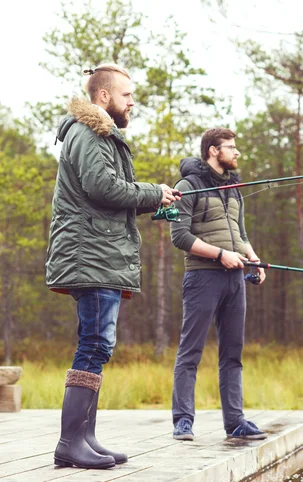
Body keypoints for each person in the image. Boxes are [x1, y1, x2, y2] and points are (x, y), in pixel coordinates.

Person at [45, 64, 180, 469]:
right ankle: (71, 442)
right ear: (103, 97)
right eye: (127, 95)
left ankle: (83, 438)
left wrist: (153, 198)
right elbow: (103, 189)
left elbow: (107, 199)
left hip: (97, 253)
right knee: (94, 345)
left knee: (97, 345)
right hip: (92, 255)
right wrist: (153, 192)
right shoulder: (91, 133)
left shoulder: (99, 135)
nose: (132, 102)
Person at [170, 127, 267, 441]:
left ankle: (235, 422)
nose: (237, 152)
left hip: (235, 279)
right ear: (213, 150)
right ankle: (183, 422)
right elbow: (180, 237)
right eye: (231, 147)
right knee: (191, 351)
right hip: (202, 277)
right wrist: (221, 254)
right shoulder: (187, 186)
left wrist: (252, 258)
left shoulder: (234, 188)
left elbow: (240, 234)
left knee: (232, 354)